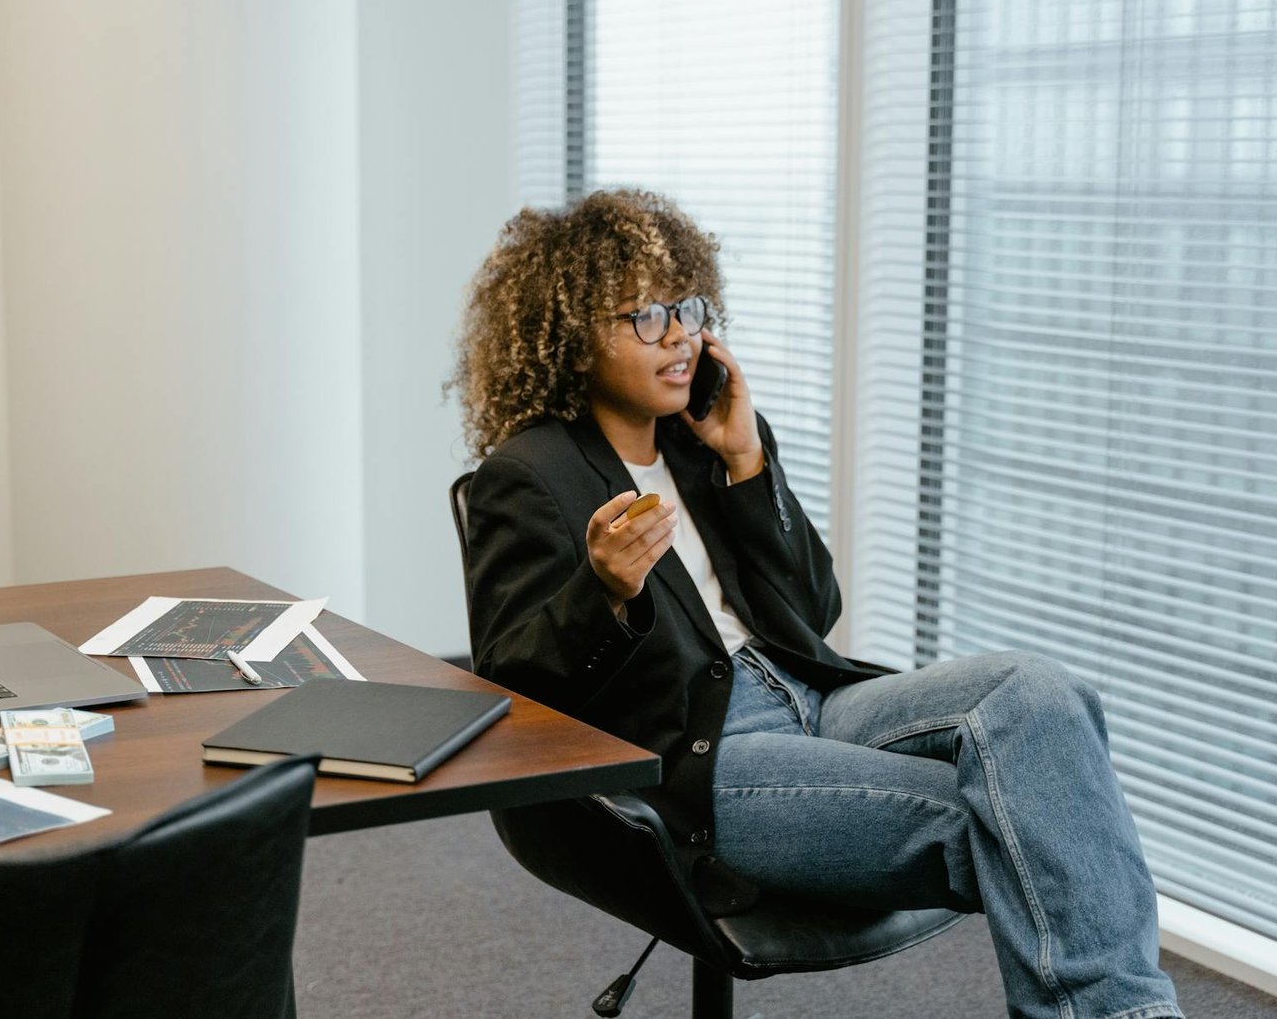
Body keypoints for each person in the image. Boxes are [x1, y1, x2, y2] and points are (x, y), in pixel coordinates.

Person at [451, 188, 1182, 1019]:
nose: (682, 335)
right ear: (575, 337)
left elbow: (814, 606)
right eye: (645, 316)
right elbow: (510, 681)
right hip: (698, 753)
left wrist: (746, 463)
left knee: (1043, 695)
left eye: (687, 309)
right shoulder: (531, 474)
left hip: (809, 698)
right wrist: (605, 591)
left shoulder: (706, 444)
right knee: (1021, 818)